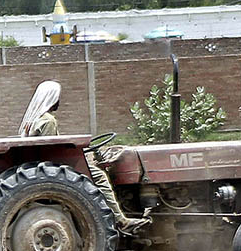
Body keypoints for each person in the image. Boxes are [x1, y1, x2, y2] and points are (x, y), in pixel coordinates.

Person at [18, 81, 149, 234]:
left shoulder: (32, 120)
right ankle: (121, 220)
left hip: (40, 165)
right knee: (99, 176)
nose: (59, 101)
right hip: (54, 168)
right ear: (51, 98)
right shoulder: (48, 120)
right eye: (58, 97)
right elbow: (51, 151)